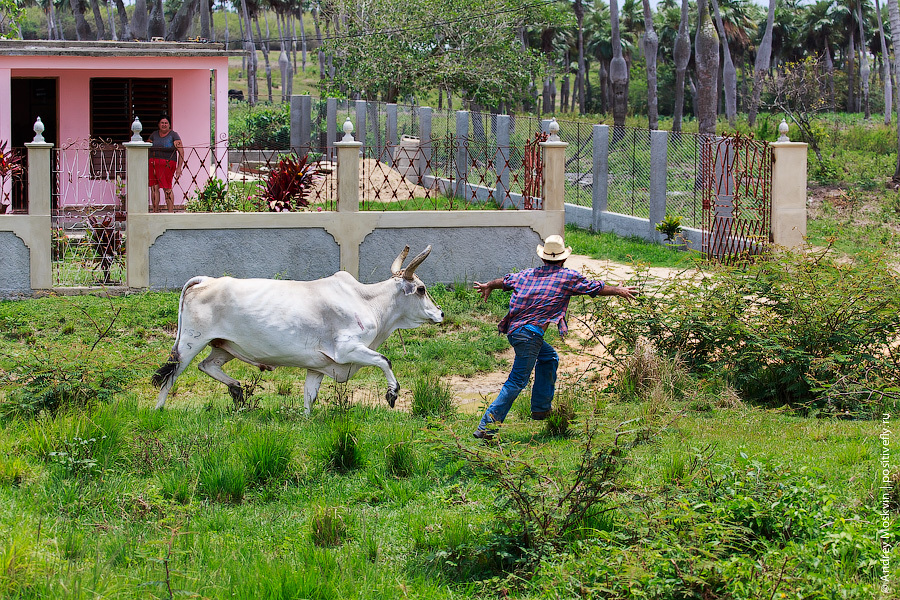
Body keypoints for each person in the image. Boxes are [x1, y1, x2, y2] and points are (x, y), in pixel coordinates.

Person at [472, 234, 639, 439]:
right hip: (530, 335)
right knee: (516, 382)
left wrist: (488, 284)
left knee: (549, 357)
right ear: (563, 259)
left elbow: (504, 281)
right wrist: (618, 290)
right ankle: (486, 427)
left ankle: (541, 409)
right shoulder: (566, 277)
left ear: (543, 258)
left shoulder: (527, 274)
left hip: (516, 332)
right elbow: (595, 287)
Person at [147, 116, 184, 213]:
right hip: (153, 164)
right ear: (159, 124)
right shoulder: (154, 135)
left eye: (166, 123)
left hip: (167, 164)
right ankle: (155, 211)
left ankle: (170, 212)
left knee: (167, 188)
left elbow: (181, 152)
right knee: (154, 188)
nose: (164, 125)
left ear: (169, 125)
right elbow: (146, 148)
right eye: (162, 123)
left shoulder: (174, 135)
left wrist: (179, 168)